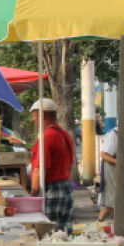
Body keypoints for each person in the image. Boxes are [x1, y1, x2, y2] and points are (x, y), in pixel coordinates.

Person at [29, 98, 75, 232]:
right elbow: (70, 165)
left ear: (43, 115)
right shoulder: (64, 134)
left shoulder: (47, 136)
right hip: (65, 187)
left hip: (52, 190)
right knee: (64, 232)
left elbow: (39, 171)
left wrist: (33, 195)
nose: (33, 119)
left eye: (35, 115)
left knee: (49, 232)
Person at [98, 126, 118, 222]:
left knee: (117, 202)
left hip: (119, 173)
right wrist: (119, 163)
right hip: (111, 171)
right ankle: (98, 224)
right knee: (109, 203)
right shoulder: (114, 135)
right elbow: (104, 154)